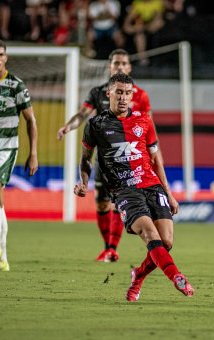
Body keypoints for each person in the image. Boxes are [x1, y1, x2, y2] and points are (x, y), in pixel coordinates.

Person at [75, 72, 194, 301]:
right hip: (124, 190)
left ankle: (138, 275)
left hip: (152, 185)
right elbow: (86, 159)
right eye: (119, 92)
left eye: (128, 93)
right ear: (108, 93)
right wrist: (84, 182)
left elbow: (156, 159)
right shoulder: (95, 125)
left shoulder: (144, 120)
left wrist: (169, 194)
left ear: (133, 95)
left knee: (166, 242)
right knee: (150, 235)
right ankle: (177, 277)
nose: (123, 97)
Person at [57, 49, 152, 263]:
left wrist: (152, 156)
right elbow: (82, 114)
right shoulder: (98, 92)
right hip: (104, 158)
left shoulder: (140, 95)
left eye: (123, 63)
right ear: (109, 67)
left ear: (129, 67)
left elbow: (148, 127)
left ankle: (112, 248)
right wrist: (68, 127)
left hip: (129, 160)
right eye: (116, 63)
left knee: (120, 202)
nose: (119, 67)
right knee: (101, 203)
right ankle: (108, 247)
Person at [0, 39, 39, 272]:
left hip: (6, 149)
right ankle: (3, 256)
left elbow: (30, 120)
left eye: (0, 55)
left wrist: (33, 153)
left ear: (6, 58)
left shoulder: (16, 85)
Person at [122, 0, 165, 66]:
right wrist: (130, 26)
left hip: (154, 28)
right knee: (139, 37)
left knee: (159, 23)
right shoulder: (137, 3)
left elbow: (158, 18)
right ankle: (143, 60)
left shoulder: (158, 2)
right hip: (141, 29)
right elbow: (128, 21)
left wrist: (143, 26)